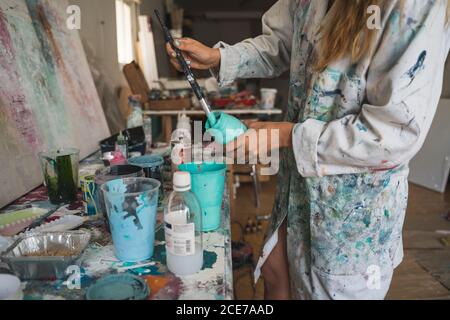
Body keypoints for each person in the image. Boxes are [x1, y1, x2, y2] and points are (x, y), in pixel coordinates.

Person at [166, 0, 450, 300]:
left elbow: (393, 134)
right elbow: (282, 41)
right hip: (296, 195)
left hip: (350, 218)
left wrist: (287, 136)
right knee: (275, 272)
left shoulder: (415, 6)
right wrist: (218, 57)